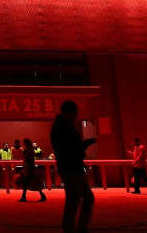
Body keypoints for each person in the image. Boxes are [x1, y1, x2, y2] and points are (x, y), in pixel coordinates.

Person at [51, 100, 96, 233]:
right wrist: (86, 143)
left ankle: (74, 227)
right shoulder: (64, 128)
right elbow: (71, 148)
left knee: (76, 199)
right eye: (75, 112)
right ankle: (73, 227)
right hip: (71, 167)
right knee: (76, 199)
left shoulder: (62, 126)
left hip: (70, 166)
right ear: (69, 112)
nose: (76, 115)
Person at [19, 138, 47, 202]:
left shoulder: (29, 150)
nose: (23, 144)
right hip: (30, 168)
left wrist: (25, 168)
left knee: (27, 182)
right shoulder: (30, 150)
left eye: (24, 143)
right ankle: (42, 196)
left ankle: (24, 197)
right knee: (33, 182)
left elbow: (27, 160)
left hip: (30, 169)